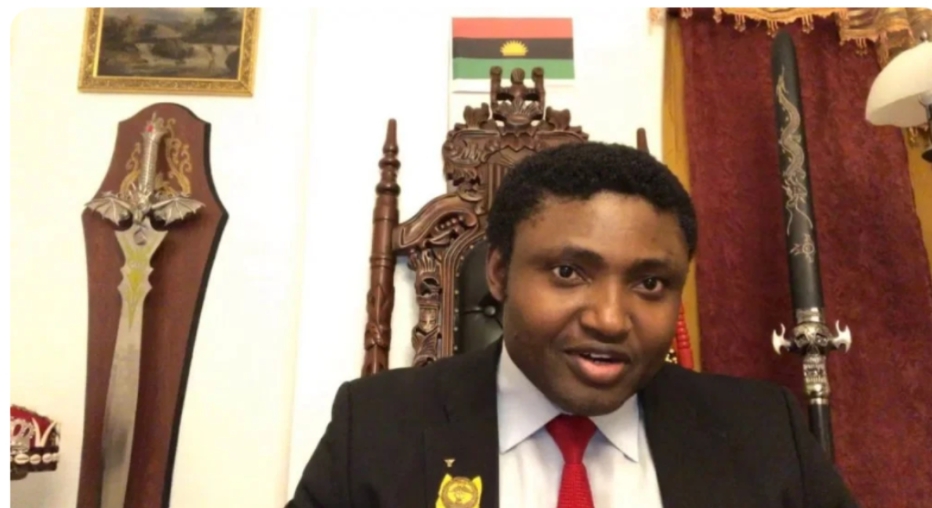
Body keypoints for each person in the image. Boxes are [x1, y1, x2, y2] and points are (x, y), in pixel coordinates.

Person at [286, 142, 859, 508]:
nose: (609, 319)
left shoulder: (764, 432)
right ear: (499, 273)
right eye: (568, 272)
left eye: (650, 283)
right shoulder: (378, 427)